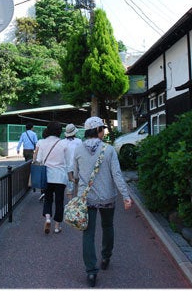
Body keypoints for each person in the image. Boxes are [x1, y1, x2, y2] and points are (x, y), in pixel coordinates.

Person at [73, 116, 133, 287]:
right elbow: (117, 175)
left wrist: (73, 190)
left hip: (86, 198)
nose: (104, 132)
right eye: (103, 129)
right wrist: (126, 196)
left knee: (88, 233)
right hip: (107, 197)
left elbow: (75, 175)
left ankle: (91, 272)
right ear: (98, 130)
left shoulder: (78, 150)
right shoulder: (109, 150)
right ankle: (106, 257)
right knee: (107, 226)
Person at [35, 121, 71, 234]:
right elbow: (68, 163)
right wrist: (71, 179)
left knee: (48, 199)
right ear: (59, 131)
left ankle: (47, 218)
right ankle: (57, 226)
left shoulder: (42, 142)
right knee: (59, 202)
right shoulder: (64, 144)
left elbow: (39, 160)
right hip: (60, 177)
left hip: (47, 176)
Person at [64, 123, 82, 200]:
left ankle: (70, 204)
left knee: (69, 187)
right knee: (77, 185)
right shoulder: (79, 141)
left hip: (66, 167)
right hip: (77, 166)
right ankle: (77, 203)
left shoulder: (62, 142)